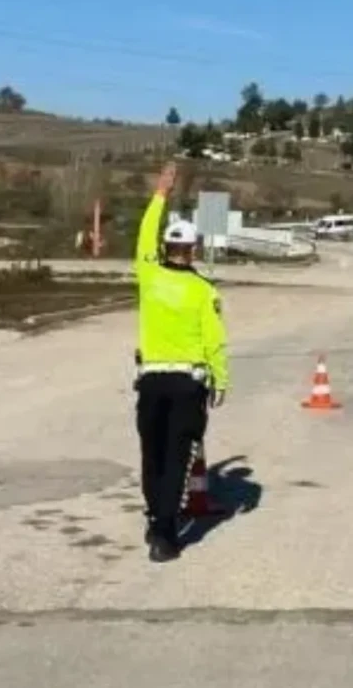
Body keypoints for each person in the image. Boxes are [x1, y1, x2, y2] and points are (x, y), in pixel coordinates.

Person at [133, 162, 229, 563]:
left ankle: (155, 519)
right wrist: (221, 380)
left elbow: (143, 237)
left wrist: (161, 193)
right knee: (176, 459)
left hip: (151, 381)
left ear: (164, 249)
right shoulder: (203, 290)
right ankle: (166, 534)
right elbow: (214, 340)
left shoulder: (148, 274)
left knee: (151, 455)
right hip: (188, 385)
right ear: (192, 250)